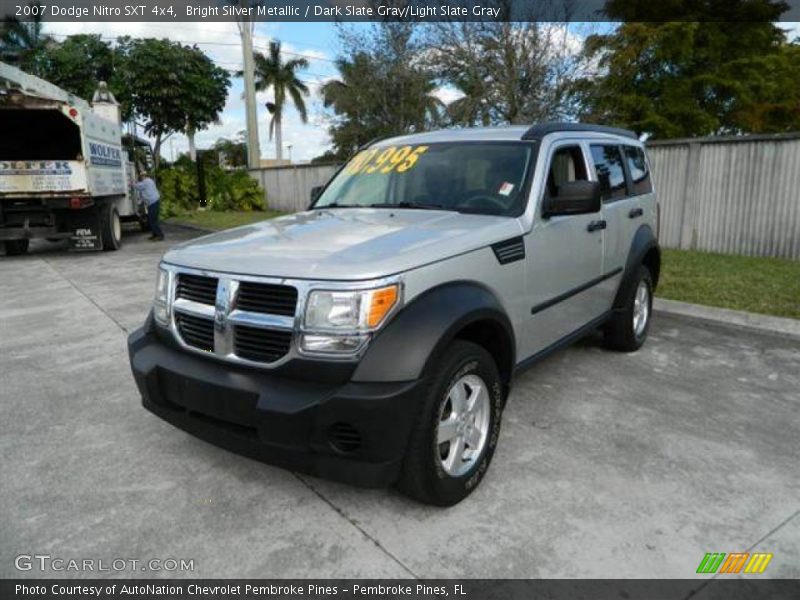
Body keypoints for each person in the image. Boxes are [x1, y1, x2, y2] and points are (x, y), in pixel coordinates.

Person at [134, 172, 164, 241]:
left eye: (142, 176)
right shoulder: (149, 181)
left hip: (153, 203)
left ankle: (160, 235)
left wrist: (132, 184)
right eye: (141, 176)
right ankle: (155, 234)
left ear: (144, 176)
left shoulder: (146, 182)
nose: (141, 177)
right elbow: (142, 192)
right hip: (153, 203)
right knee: (152, 220)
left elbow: (138, 186)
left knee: (152, 220)